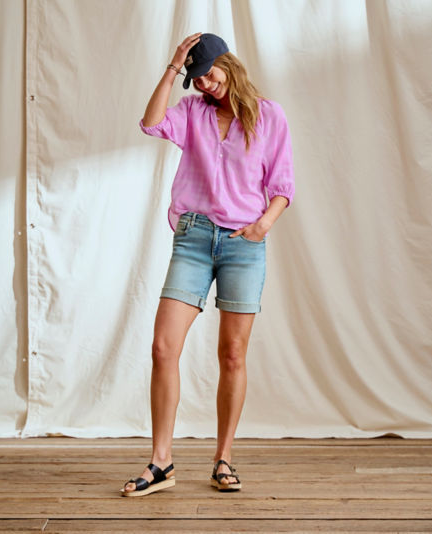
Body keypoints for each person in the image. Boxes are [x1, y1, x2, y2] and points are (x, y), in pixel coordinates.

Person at [121, 32, 295, 497]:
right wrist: (175, 65)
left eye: (208, 74)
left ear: (228, 62)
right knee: (163, 347)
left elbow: (282, 185)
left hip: (244, 244)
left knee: (232, 355)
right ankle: (161, 463)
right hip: (194, 238)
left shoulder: (269, 115)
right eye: (195, 80)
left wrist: (261, 227)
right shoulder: (192, 113)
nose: (204, 85)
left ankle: (224, 458)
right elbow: (150, 121)